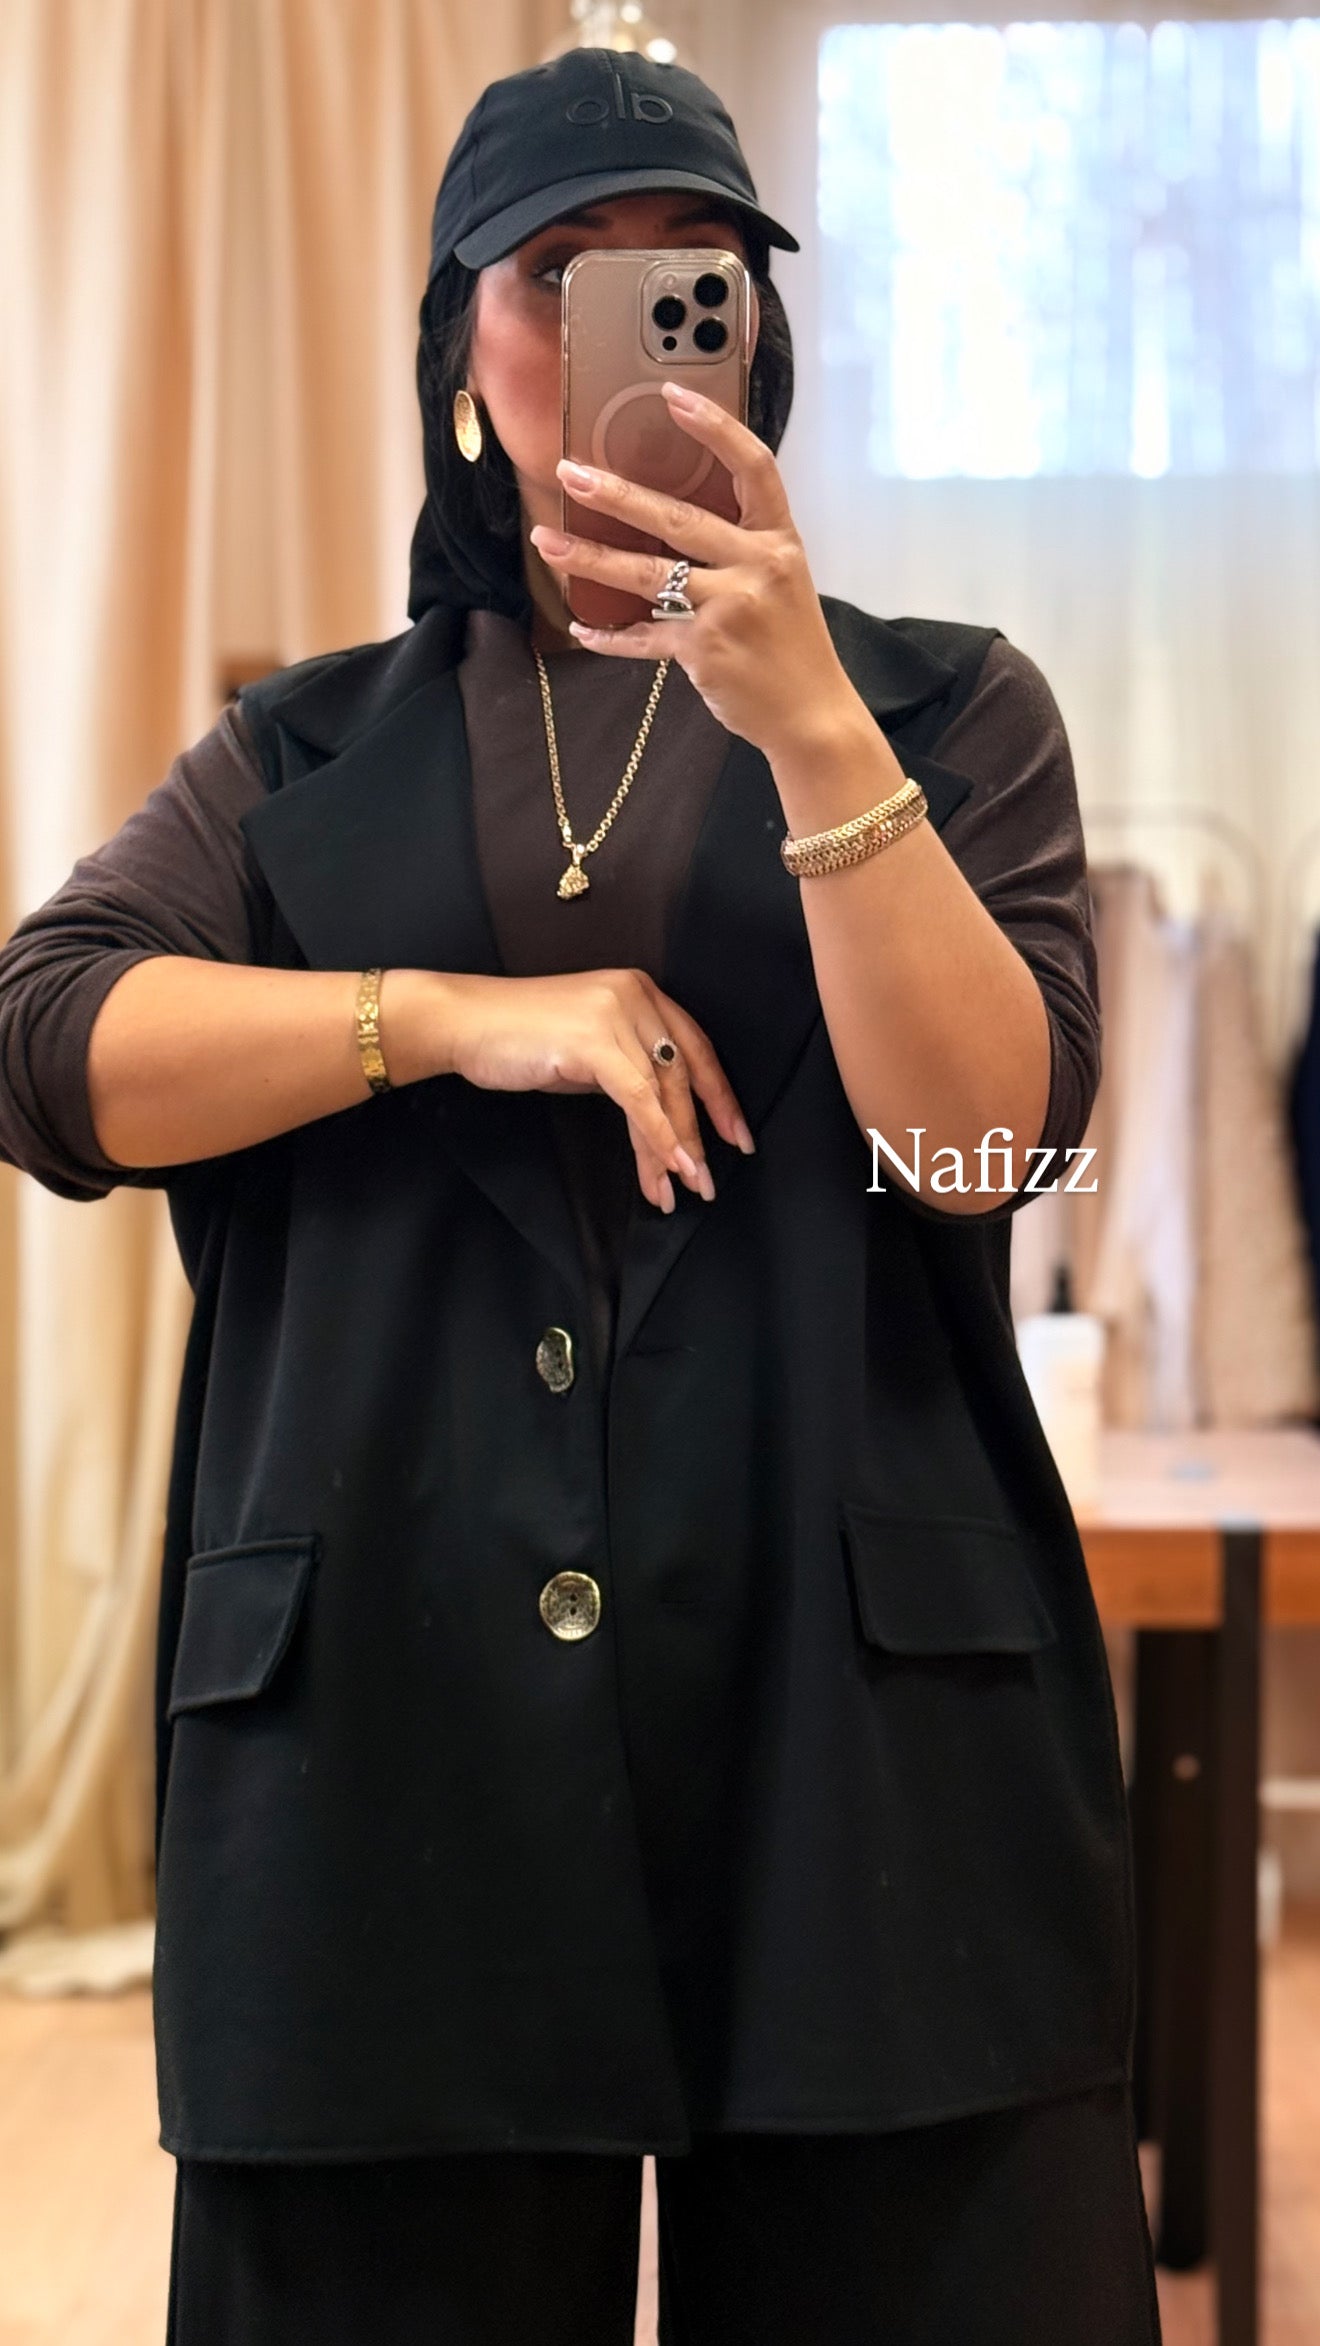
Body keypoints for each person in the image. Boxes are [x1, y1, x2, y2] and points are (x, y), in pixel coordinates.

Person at [0, 46, 1163, 2346]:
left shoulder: (947, 715)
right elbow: (52, 1049)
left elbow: (984, 1144)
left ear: (760, 339)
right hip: (387, 1735)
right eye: (560, 269)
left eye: (693, 270)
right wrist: (442, 1017)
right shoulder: (299, 753)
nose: (634, 312)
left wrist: (811, 728)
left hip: (867, 1750)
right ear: (464, 356)